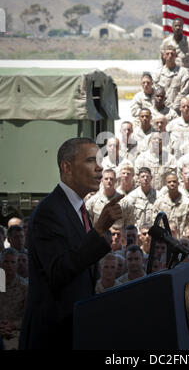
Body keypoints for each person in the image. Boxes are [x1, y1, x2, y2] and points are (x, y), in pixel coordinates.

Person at [19, 137, 124, 350]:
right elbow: (59, 271)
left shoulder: (77, 209)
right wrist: (99, 230)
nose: (99, 167)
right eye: (90, 161)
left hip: (75, 330)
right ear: (67, 167)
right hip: (51, 337)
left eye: (99, 161)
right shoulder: (49, 212)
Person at [0, 248, 28, 350]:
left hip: (15, 332)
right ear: (0, 264)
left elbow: (27, 317)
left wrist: (12, 325)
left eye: (13, 262)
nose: (9, 265)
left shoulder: (25, 287)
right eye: (6, 262)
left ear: (17, 264)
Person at [153, 45, 189, 113]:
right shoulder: (158, 73)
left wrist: (173, 107)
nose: (170, 56)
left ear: (176, 56)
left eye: (172, 54)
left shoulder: (183, 73)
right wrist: (166, 105)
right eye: (167, 54)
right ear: (164, 56)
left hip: (178, 110)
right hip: (160, 109)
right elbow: (156, 91)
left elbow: (183, 92)